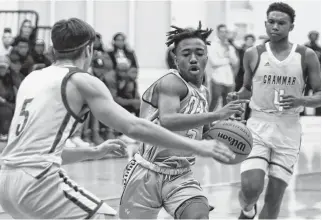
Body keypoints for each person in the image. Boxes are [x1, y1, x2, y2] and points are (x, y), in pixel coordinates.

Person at [0, 18, 236, 219]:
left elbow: (35, 151)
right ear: (89, 49)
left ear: (53, 49)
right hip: (38, 182)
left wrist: (92, 153)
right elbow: (133, 126)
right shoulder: (82, 80)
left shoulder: (32, 78)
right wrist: (199, 145)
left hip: (6, 182)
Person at [119, 22, 248, 219]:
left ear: (207, 56)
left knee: (198, 215)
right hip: (146, 173)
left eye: (199, 53)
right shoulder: (171, 82)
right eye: (186, 54)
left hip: (181, 174)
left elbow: (204, 131)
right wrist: (218, 114)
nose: (193, 59)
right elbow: (169, 120)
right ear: (176, 59)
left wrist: (231, 125)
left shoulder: (203, 91)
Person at [227, 2, 321, 219]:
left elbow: (319, 95)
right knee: (251, 188)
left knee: (274, 197)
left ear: (291, 27)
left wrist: (300, 99)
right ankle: (248, 210)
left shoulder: (306, 55)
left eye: (281, 23)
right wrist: (238, 96)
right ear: (265, 24)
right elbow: (247, 89)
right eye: (271, 22)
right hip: (258, 126)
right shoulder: (253, 53)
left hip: (288, 128)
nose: (275, 27)